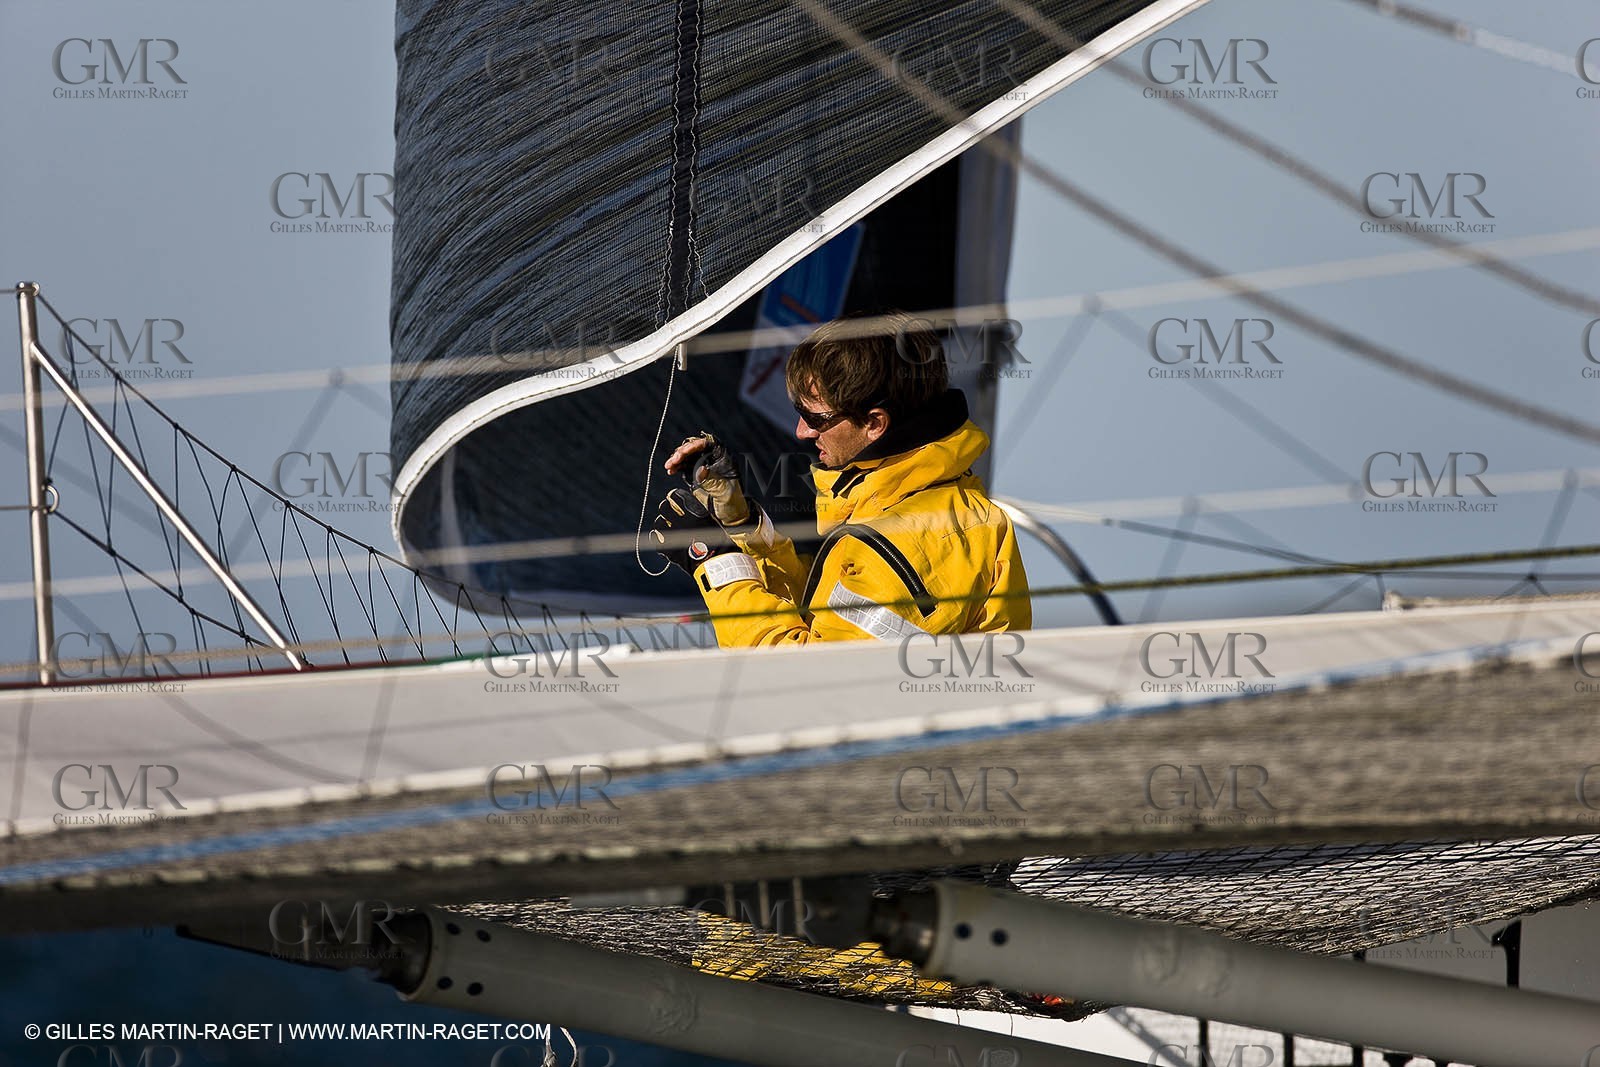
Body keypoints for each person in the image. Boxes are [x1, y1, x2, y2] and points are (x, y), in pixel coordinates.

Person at [650, 312, 1030, 647]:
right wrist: (740, 524)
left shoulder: (917, 538)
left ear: (874, 424)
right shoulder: (900, 505)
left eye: (815, 418)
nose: (800, 431)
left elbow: (807, 682)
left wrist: (715, 561)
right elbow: (817, 619)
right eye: (798, 412)